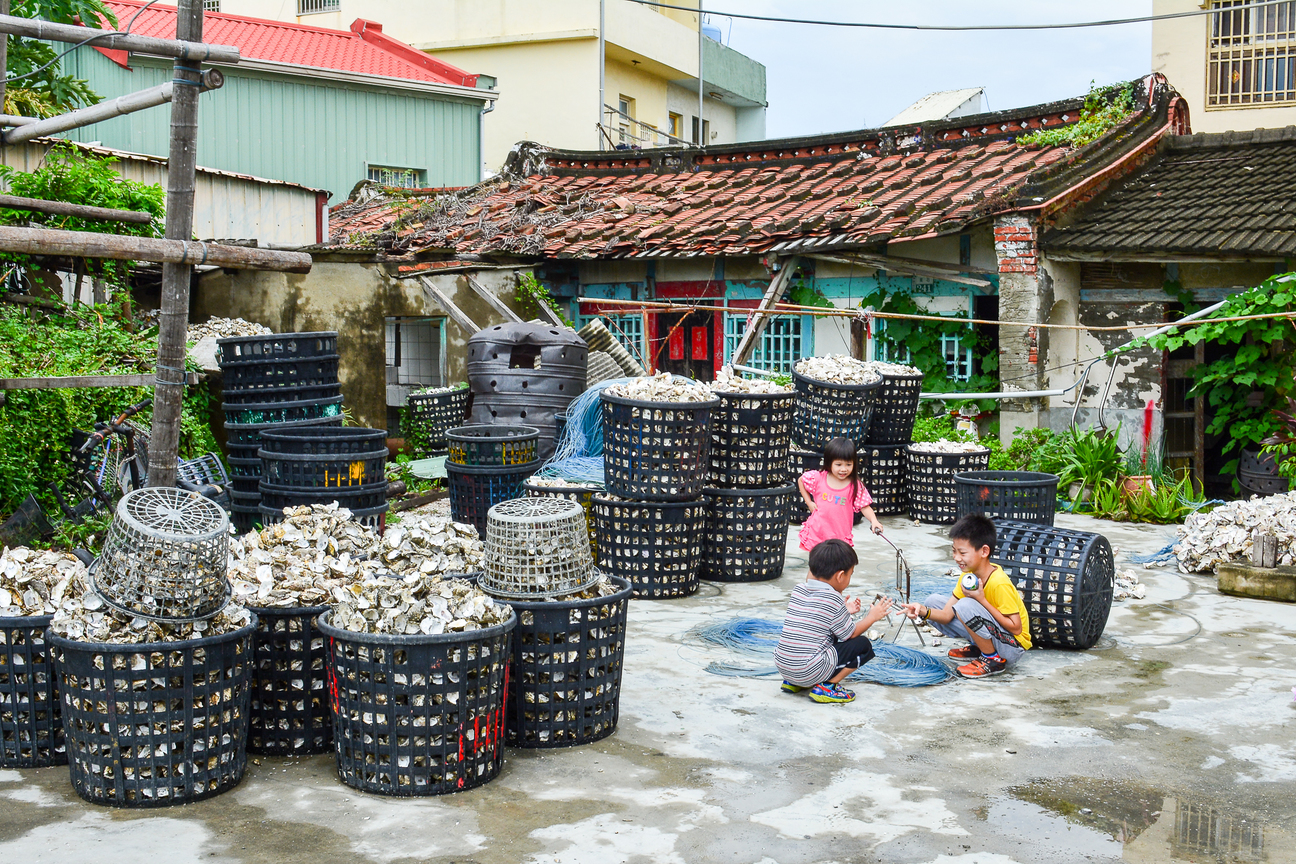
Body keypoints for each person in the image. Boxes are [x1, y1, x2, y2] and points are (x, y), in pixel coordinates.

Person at [901, 514, 1032, 679]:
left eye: (962, 553)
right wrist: (922, 610)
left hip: (1013, 646)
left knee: (966, 604)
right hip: (997, 635)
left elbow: (1016, 628)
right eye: (954, 551)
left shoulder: (999, 583)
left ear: (984, 551)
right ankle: (981, 647)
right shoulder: (968, 576)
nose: (956, 558)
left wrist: (981, 599)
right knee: (932, 602)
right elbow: (947, 615)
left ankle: (992, 659)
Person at [775, 539, 894, 704]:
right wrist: (872, 617)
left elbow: (818, 619)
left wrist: (844, 611)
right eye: (850, 574)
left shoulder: (799, 589)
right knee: (863, 645)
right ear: (840, 576)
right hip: (808, 670)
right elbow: (850, 635)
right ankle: (828, 686)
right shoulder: (833, 598)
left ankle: (794, 683)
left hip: (784, 667)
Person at [797, 437, 883, 551]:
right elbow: (801, 480)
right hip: (817, 533)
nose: (843, 469)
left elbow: (864, 506)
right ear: (829, 462)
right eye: (838, 464)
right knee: (816, 566)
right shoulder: (818, 478)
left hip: (839, 536)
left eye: (848, 464)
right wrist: (809, 502)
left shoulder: (854, 486)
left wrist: (874, 520)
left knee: (838, 565)